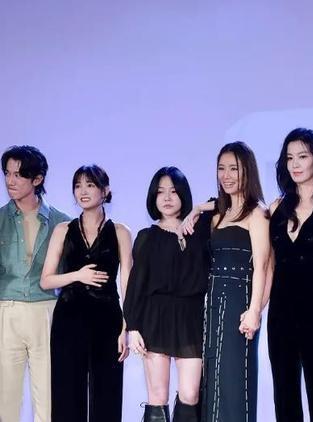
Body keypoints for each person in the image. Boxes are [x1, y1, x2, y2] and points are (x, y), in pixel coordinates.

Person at [185, 141, 270, 422]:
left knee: (235, 381)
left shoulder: (257, 213)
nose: (226, 175)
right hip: (212, 302)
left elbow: (262, 266)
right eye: (221, 168)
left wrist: (255, 310)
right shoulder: (217, 214)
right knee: (211, 379)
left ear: (248, 171)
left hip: (239, 302)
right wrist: (197, 208)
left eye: (234, 168)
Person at [40, 164, 131, 422]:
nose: (83, 191)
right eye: (78, 185)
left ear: (105, 190)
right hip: (69, 318)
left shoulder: (121, 232)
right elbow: (46, 280)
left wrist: (126, 327)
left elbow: (127, 282)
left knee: (107, 394)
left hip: (108, 319)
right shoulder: (63, 230)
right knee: (67, 394)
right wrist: (77, 275)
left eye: (90, 185)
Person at [123, 166, 210, 422]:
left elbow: (223, 204)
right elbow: (137, 285)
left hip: (191, 317)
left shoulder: (200, 230)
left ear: (184, 194)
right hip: (155, 318)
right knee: (157, 396)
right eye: (161, 192)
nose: (167, 197)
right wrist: (133, 327)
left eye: (174, 191)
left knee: (190, 393)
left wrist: (197, 210)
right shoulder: (147, 237)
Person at [268, 128, 313, 422]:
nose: (295, 164)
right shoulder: (277, 207)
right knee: (284, 392)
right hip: (281, 307)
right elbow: (267, 263)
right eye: (289, 158)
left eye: (302, 156)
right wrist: (200, 208)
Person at [0, 145, 70, 422]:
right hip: (7, 309)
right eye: (7, 173)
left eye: (18, 175)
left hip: (47, 310)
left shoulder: (62, 223)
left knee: (49, 396)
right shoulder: (0, 219)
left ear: (37, 179)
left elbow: (69, 274)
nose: (10, 181)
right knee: (5, 396)